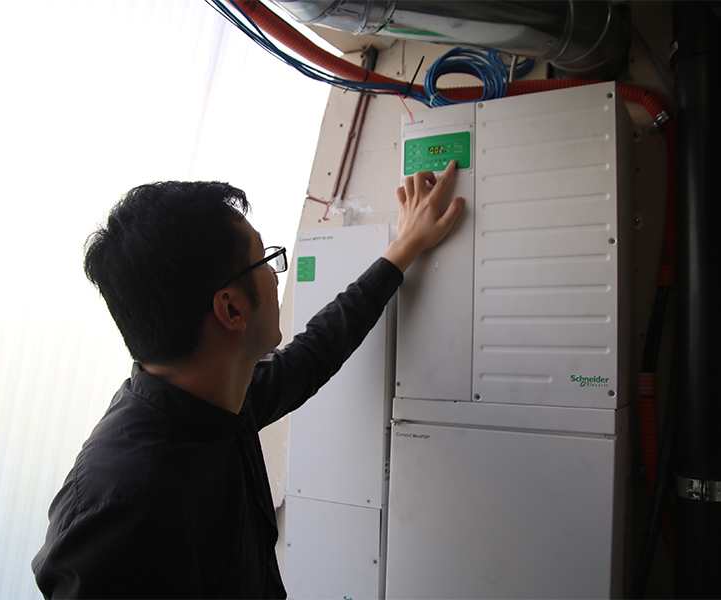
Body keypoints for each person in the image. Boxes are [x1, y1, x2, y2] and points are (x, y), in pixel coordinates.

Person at [32, 161, 464, 598]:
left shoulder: (215, 397)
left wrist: (404, 247)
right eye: (265, 260)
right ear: (231, 309)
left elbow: (314, 354)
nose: (276, 275)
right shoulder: (125, 509)